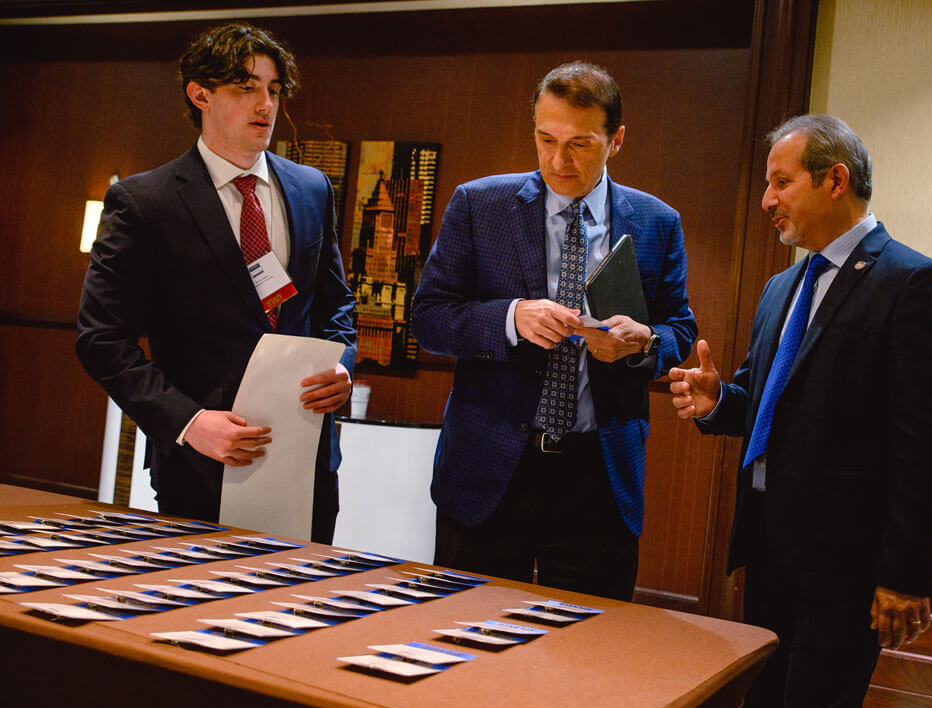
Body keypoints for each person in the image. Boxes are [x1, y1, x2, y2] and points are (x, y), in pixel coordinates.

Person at [669, 114, 932, 708]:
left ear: (835, 179)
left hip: (848, 566)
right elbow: (765, 400)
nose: (765, 200)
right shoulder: (782, 287)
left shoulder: (914, 283)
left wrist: (905, 574)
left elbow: (927, 444)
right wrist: (718, 401)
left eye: (781, 182)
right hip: (770, 549)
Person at [410, 62, 696, 601]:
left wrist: (643, 344)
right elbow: (428, 318)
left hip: (599, 475)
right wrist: (509, 317)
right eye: (546, 139)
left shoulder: (658, 222)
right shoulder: (479, 205)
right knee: (464, 644)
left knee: (588, 656)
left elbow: (679, 329)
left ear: (617, 142)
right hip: (490, 467)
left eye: (580, 144)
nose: (558, 161)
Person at [76, 23, 357, 544]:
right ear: (200, 94)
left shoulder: (312, 187)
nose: (266, 105)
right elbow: (101, 340)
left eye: (274, 90)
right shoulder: (145, 202)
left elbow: (336, 303)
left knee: (302, 616)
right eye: (246, 87)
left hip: (306, 458)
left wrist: (341, 364)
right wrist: (187, 422)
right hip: (199, 465)